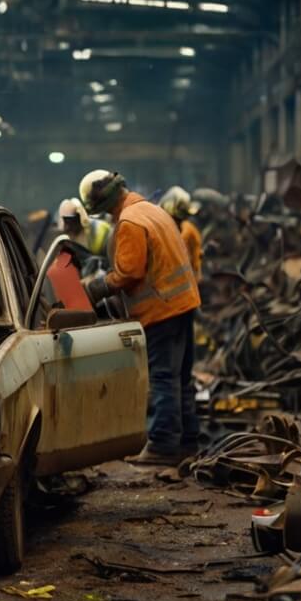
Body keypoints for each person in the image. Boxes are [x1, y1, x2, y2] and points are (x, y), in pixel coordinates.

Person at [78, 170, 201, 465]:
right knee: (181, 379)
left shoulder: (130, 222)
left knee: (162, 378)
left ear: (99, 202)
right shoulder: (151, 211)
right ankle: (187, 442)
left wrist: (98, 287)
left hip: (160, 310)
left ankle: (162, 445)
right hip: (183, 303)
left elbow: (130, 273)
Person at [158, 187, 203, 279]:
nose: (179, 224)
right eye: (177, 219)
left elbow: (196, 260)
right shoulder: (156, 232)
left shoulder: (189, 230)